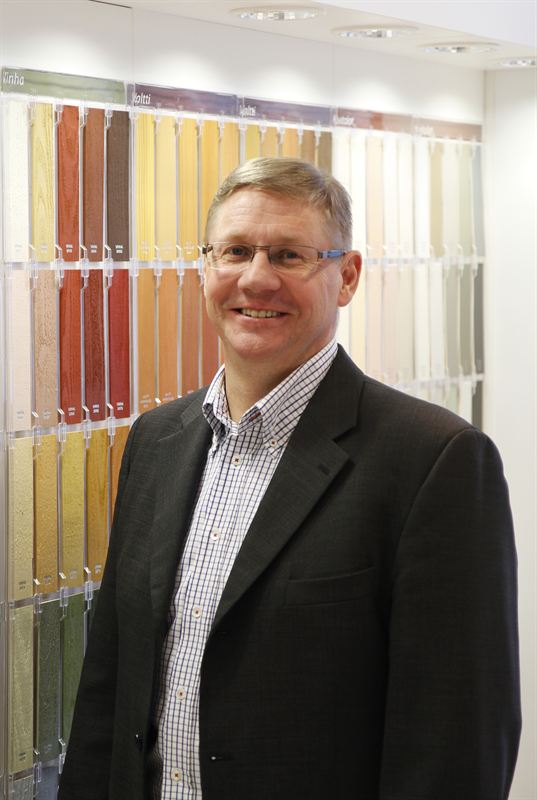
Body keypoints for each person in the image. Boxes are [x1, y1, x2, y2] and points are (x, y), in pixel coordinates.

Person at [58, 157, 521, 800]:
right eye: (235, 251)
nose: (256, 278)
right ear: (204, 267)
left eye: (289, 255)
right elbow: (108, 693)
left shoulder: (434, 460)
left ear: (347, 276)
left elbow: (455, 742)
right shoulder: (156, 441)